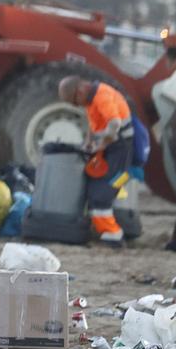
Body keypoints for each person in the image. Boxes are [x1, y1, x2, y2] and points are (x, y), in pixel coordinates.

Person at [61, 74, 135, 245]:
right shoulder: (91, 100)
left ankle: (113, 235)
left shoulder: (102, 96)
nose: (75, 105)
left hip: (120, 151)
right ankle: (106, 231)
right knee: (95, 187)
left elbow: (114, 124)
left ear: (80, 91)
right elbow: (94, 124)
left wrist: (100, 146)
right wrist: (89, 142)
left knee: (101, 195)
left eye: (74, 101)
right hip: (111, 150)